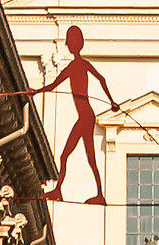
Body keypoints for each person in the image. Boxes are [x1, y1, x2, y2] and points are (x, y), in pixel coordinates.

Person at [40, 25, 118, 204]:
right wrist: (111, 101)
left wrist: (35, 91)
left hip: (85, 117)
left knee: (68, 156)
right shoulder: (80, 65)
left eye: (69, 41)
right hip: (86, 116)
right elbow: (101, 79)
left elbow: (52, 87)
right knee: (87, 157)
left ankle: (62, 191)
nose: (67, 45)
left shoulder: (75, 66)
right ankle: (95, 194)